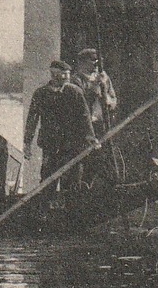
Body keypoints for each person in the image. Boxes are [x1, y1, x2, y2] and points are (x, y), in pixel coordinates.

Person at [23, 59, 98, 187]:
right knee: (47, 181)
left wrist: (91, 139)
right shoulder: (41, 94)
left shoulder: (75, 92)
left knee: (72, 182)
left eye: (68, 74)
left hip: (72, 146)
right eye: (64, 74)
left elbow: (85, 117)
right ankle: (46, 205)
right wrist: (27, 143)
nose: (68, 78)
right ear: (54, 75)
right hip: (50, 146)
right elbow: (32, 120)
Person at [72, 47, 119, 134]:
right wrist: (96, 87)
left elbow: (113, 98)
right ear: (82, 62)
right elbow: (81, 102)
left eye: (99, 61)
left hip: (103, 122)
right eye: (93, 60)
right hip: (86, 126)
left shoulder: (104, 78)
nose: (97, 64)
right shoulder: (76, 80)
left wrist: (108, 100)